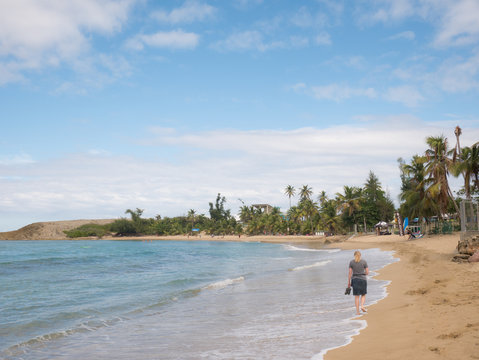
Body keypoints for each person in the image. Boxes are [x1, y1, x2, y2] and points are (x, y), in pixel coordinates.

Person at [348, 250, 369, 315]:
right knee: (363, 294)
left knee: (357, 296)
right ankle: (362, 306)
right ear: (360, 255)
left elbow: (350, 273)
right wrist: (362, 273)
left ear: (354, 256)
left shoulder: (351, 262)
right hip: (363, 279)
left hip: (355, 280)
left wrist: (349, 282)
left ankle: (357, 312)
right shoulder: (364, 262)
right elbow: (367, 272)